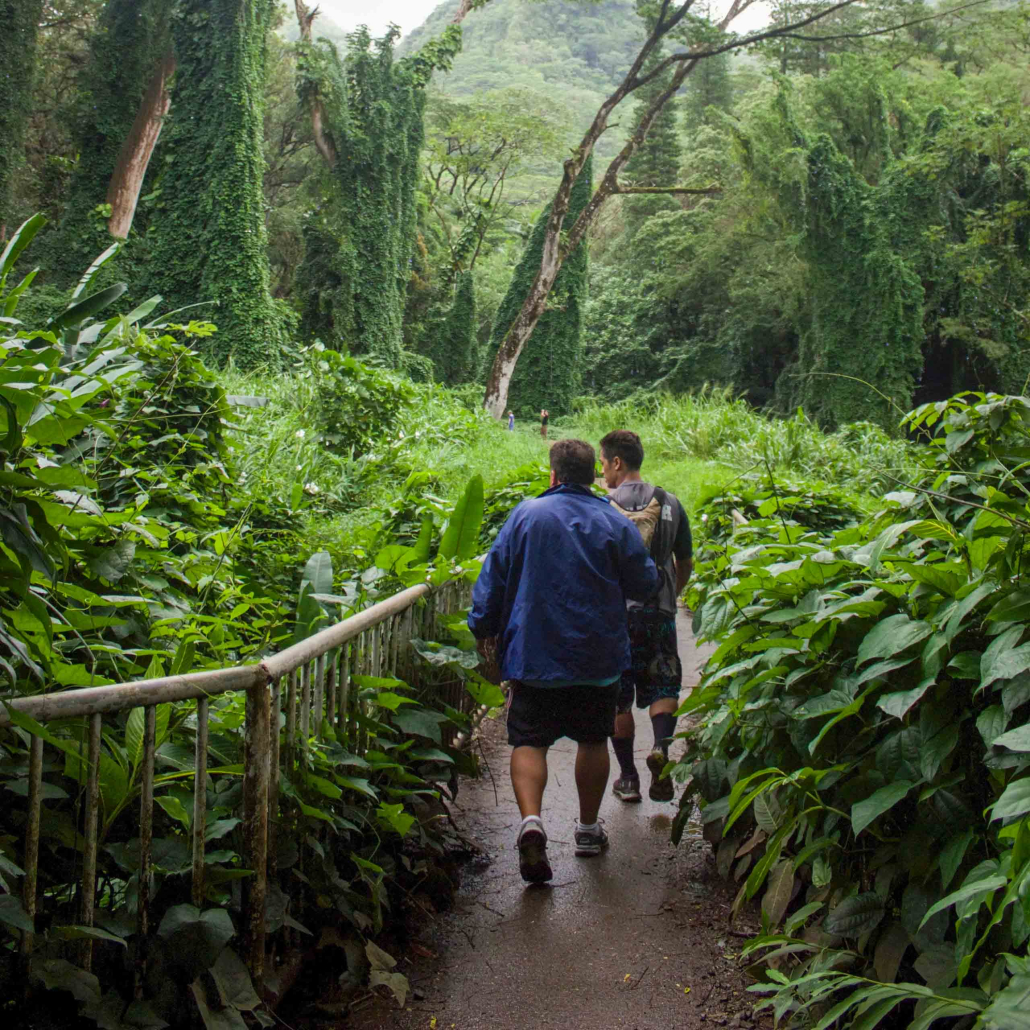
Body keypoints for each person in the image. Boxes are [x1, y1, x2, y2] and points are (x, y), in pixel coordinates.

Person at [468, 439, 659, 883]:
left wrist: (484, 629)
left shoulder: (525, 515)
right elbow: (645, 582)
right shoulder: (611, 521)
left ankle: (532, 823)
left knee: (529, 741)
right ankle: (588, 830)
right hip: (597, 657)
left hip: (533, 655)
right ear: (594, 474)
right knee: (593, 740)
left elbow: (491, 582)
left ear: (552, 475)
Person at [600, 430, 692, 803]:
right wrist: (672, 593)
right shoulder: (671, 502)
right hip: (660, 611)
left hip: (616, 616)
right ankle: (661, 750)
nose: (603, 472)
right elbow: (685, 561)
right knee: (664, 683)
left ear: (617, 462)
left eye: (604, 463)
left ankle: (628, 778)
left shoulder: (602, 506)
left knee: (619, 697)